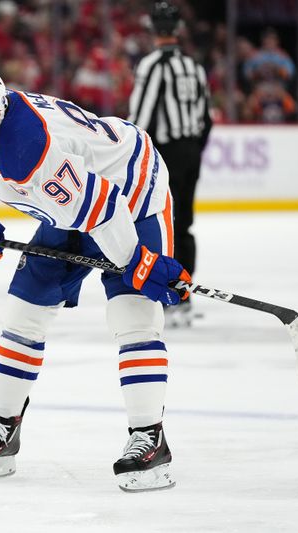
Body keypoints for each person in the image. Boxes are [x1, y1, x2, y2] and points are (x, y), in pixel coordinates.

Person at [0, 62, 192, 492]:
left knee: (133, 314)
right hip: (80, 201)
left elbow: (106, 210)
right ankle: (3, 429)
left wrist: (138, 264)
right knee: (24, 310)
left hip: (131, 190)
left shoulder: (34, 150)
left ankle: (149, 437)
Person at [126, 1, 211, 327]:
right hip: (190, 151)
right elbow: (206, 119)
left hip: (166, 154)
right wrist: (195, 149)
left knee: (164, 225)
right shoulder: (194, 67)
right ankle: (184, 296)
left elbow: (141, 117)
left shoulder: (152, 65)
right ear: (178, 30)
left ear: (153, 30)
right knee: (184, 224)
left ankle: (168, 295)